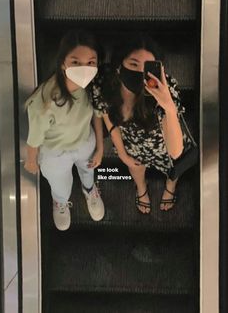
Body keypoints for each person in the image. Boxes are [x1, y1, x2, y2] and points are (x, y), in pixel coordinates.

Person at [92, 34, 188, 214]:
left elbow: (175, 151)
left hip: (163, 141)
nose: (139, 73)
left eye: (146, 67)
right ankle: (141, 188)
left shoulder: (164, 90)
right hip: (131, 142)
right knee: (134, 166)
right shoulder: (106, 82)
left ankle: (170, 185)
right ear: (120, 65)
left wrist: (168, 106)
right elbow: (106, 115)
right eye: (133, 64)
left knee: (174, 167)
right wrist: (121, 153)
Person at [24, 31, 105, 230]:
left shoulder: (92, 86)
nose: (85, 69)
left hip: (85, 142)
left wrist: (101, 148)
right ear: (63, 63)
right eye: (76, 62)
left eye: (91, 62)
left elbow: (97, 113)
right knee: (60, 185)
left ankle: (89, 190)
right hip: (55, 153)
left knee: (88, 171)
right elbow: (34, 138)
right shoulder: (45, 101)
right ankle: (60, 202)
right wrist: (32, 160)